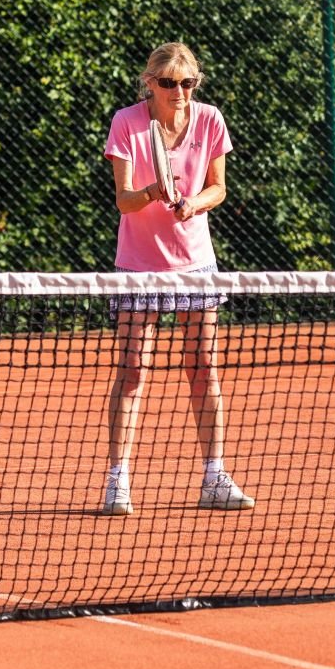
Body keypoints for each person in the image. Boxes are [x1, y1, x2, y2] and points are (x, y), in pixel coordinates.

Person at [101, 42, 254, 515]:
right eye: (168, 83)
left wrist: (193, 203)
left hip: (196, 265)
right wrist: (152, 191)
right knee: (131, 370)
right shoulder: (127, 122)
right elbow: (124, 201)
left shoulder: (210, 120)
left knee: (203, 369)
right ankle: (117, 481)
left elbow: (219, 187)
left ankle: (214, 477)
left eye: (187, 82)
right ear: (149, 83)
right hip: (139, 266)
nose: (179, 91)